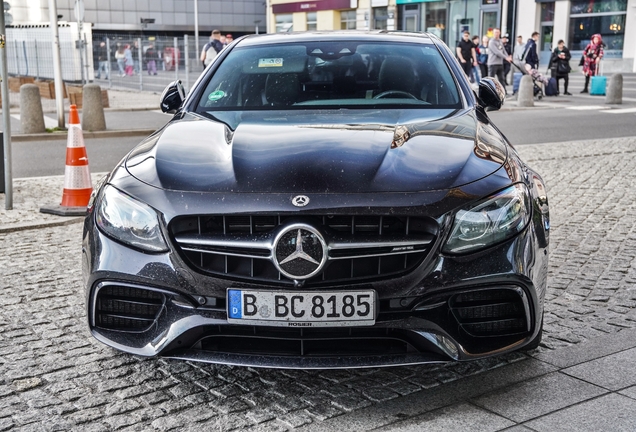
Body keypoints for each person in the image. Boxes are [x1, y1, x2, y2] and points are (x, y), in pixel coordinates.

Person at [487, 28, 512, 93]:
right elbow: (497, 52)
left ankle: (504, 92)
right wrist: (505, 58)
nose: (496, 34)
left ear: (499, 33)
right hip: (493, 63)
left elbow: (503, 50)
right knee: (491, 79)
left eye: (497, 32)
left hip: (500, 63)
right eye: (495, 32)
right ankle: (490, 92)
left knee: (502, 78)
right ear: (493, 33)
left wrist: (508, 57)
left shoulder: (500, 41)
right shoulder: (491, 42)